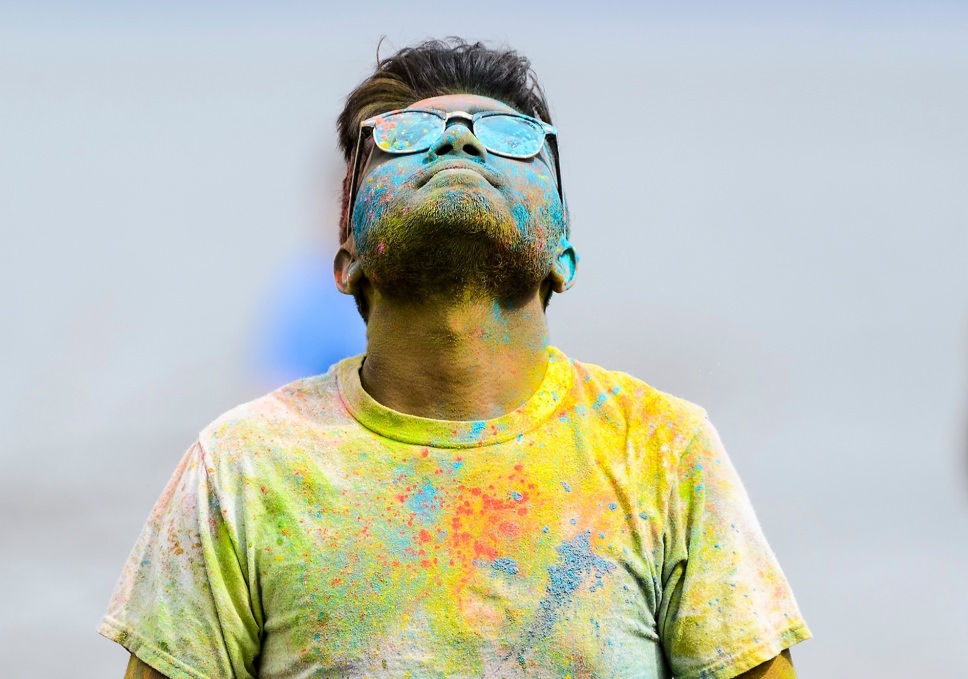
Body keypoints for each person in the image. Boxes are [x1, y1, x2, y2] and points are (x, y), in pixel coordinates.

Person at [100, 38, 810, 679]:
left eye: (511, 139)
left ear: (564, 250)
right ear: (346, 257)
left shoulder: (661, 450)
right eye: (406, 139)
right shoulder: (242, 466)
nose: (461, 142)